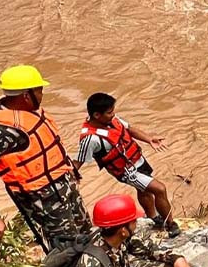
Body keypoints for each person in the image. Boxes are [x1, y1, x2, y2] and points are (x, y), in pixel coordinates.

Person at [0, 65, 90, 252]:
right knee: (68, 249)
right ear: (26, 95)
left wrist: (71, 172)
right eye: (40, 90)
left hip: (64, 186)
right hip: (44, 201)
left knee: (86, 233)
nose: (42, 95)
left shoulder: (27, 110)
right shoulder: (2, 132)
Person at [73, 93, 180, 238]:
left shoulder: (112, 120)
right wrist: (71, 176)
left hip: (137, 159)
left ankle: (153, 218)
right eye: (110, 112)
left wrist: (149, 139)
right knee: (160, 189)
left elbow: (129, 129)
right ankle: (170, 224)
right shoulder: (90, 139)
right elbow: (78, 161)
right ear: (97, 115)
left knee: (144, 190)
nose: (113, 114)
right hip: (126, 171)